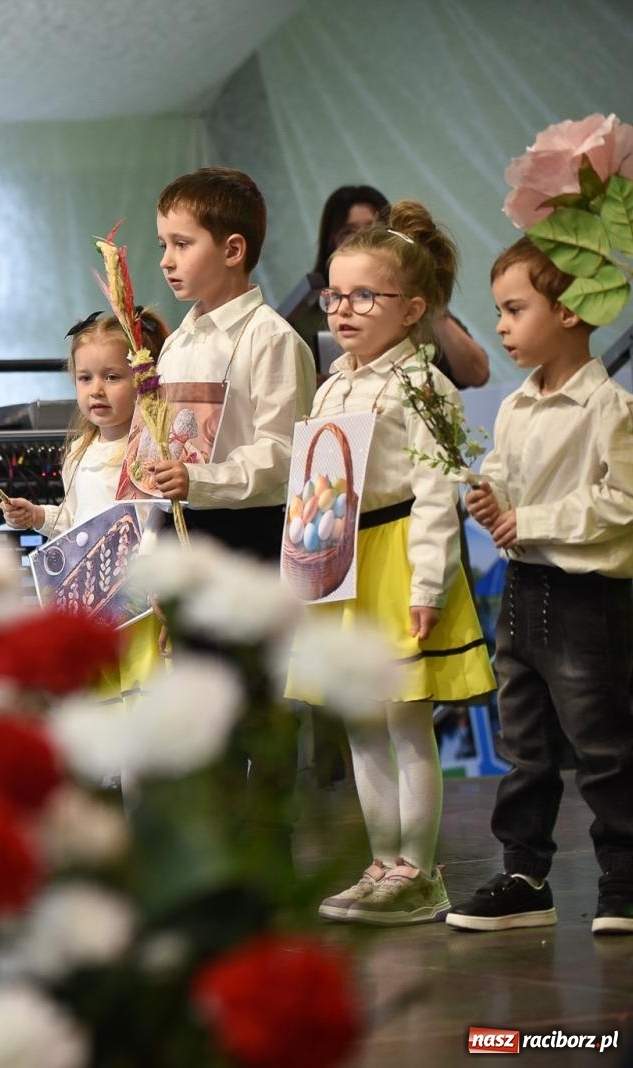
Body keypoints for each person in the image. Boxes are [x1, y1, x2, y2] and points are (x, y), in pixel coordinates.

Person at [292, 202, 495, 926]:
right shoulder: (331, 383)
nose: (344, 310)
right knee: (361, 724)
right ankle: (382, 864)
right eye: (335, 295)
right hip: (345, 563)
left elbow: (441, 491)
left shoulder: (425, 384)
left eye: (364, 296)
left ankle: (419, 869)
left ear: (412, 310)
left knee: (406, 722)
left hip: (402, 560)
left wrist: (431, 583)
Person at [445, 238, 633, 935]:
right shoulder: (518, 405)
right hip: (524, 594)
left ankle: (624, 878)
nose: (501, 326)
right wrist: (489, 499)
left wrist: (532, 517)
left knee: (605, 747)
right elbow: (502, 474)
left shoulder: (609, 408)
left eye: (515, 309)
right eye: (499, 310)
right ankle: (525, 874)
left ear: (572, 311)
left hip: (586, 601)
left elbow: (622, 503)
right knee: (525, 745)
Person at [147, 166, 317, 561]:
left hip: (246, 535)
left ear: (232, 250)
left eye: (182, 244)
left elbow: (283, 454)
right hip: (179, 526)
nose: (166, 262)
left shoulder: (271, 339)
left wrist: (200, 480)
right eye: (163, 246)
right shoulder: (175, 343)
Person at [0, 308, 171, 690]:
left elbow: (159, 522)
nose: (96, 389)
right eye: (85, 378)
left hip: (138, 602)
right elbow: (79, 525)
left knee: (141, 693)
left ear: (143, 378)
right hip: (92, 604)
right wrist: (39, 517)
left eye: (112, 377)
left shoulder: (150, 448)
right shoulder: (80, 450)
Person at [290, 185, 490, 389]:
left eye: (371, 227)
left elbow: (476, 374)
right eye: (348, 232)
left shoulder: (417, 311)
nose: (362, 238)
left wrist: (435, 306)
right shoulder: (306, 318)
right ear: (330, 241)